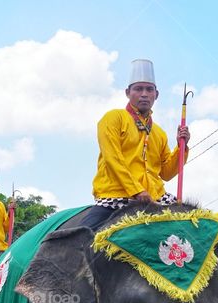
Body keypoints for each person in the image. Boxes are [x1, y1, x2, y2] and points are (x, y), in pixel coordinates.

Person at [79, 59, 191, 230]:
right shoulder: (113, 118)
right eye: (138, 89)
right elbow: (113, 159)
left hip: (155, 196)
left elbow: (167, 173)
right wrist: (137, 191)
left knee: (193, 223)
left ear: (156, 94)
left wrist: (181, 147)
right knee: (81, 236)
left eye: (149, 89)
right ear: (127, 92)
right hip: (116, 195)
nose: (144, 94)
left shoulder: (159, 133)